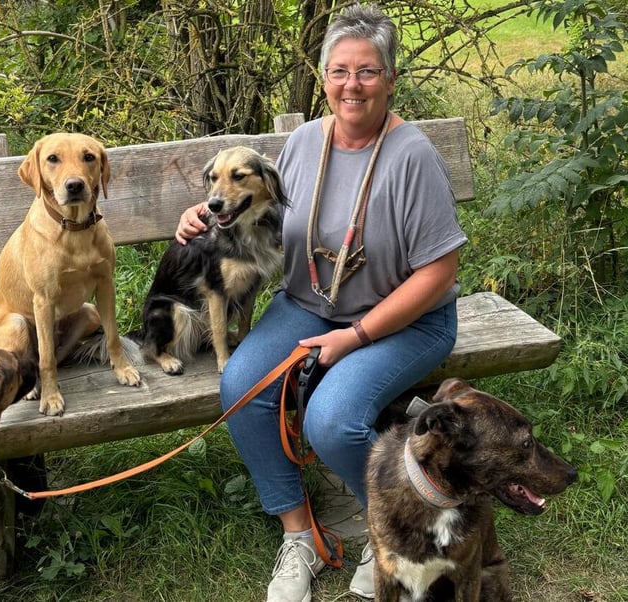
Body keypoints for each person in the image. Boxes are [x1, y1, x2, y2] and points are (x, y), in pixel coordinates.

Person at [175, 4, 468, 601]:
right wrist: (207, 219)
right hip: (312, 303)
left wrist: (354, 338)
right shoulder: (307, 140)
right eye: (339, 71)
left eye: (366, 71)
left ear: (389, 78)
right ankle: (301, 534)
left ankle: (388, 528)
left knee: (331, 420)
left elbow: (440, 270)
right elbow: (266, 214)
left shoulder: (412, 156)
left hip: (401, 320)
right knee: (242, 389)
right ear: (324, 75)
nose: (350, 85)